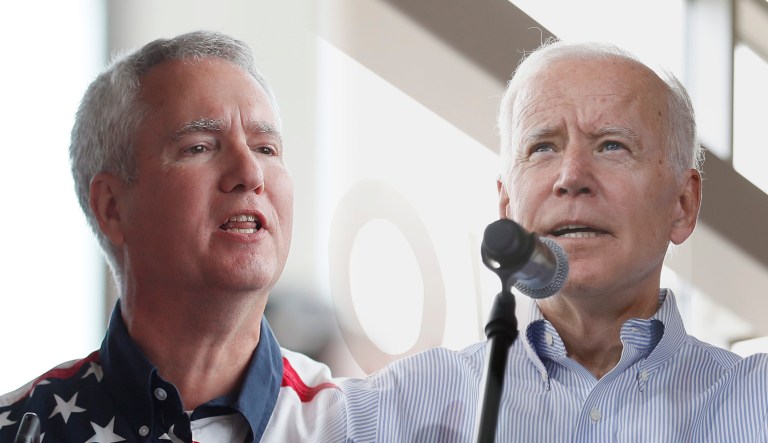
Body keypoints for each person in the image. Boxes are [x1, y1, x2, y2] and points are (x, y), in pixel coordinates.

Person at [340, 40, 768, 442]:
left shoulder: (756, 401)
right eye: (543, 148)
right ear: (507, 204)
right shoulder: (398, 404)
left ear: (683, 204)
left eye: (612, 146)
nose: (571, 177)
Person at [0, 31, 346, 442]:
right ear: (112, 207)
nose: (250, 173)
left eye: (266, 148)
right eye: (200, 147)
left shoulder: (363, 426)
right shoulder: (19, 428)